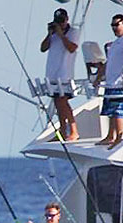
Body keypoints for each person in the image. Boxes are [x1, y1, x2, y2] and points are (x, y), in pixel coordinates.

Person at [97, 14, 123, 149]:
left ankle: (119, 138)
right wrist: (99, 77)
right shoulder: (116, 43)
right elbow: (109, 62)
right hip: (110, 82)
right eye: (112, 25)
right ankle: (110, 136)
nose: (114, 28)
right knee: (110, 111)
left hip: (119, 82)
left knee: (117, 110)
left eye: (117, 25)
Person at [41, 8, 81, 141]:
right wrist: (50, 34)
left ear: (67, 19)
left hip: (64, 74)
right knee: (58, 103)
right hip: (52, 74)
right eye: (58, 21)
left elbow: (72, 48)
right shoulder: (53, 34)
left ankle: (73, 131)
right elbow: (43, 48)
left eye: (62, 21)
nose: (61, 24)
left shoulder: (73, 32)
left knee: (63, 102)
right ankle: (63, 131)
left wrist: (61, 35)